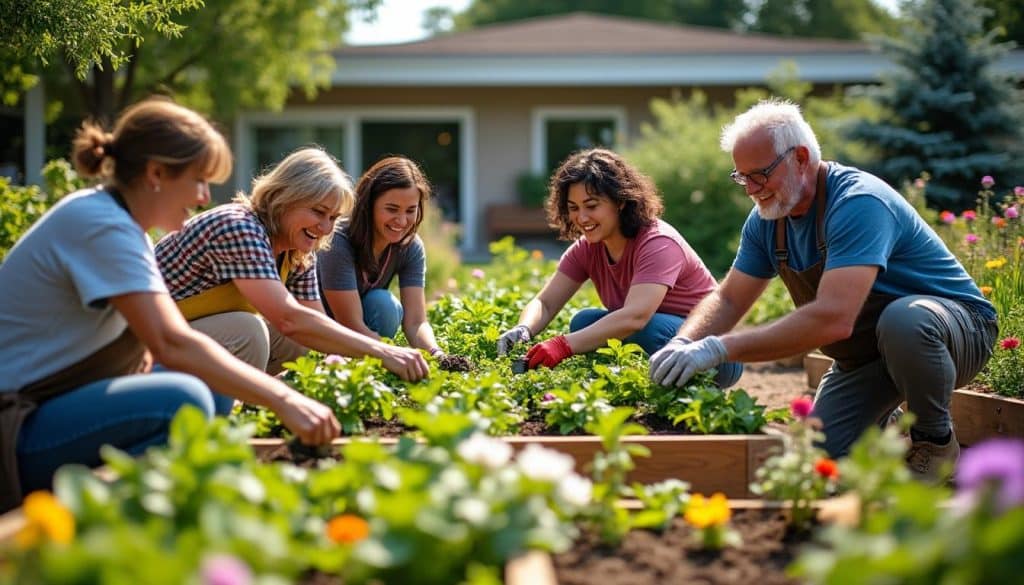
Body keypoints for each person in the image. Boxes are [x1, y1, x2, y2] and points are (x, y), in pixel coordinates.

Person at [0, 99, 340, 512]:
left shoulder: (127, 229)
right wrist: (283, 399)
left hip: (55, 403)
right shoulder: (99, 224)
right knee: (182, 399)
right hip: (17, 424)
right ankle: (108, 516)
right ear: (156, 173)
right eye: (198, 181)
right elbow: (170, 342)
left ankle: (170, 505)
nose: (204, 196)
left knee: (210, 390)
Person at [648, 99, 997, 481]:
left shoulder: (857, 202)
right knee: (818, 461)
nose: (750, 189)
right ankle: (890, 425)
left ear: (800, 158)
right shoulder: (768, 220)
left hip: (956, 333)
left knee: (904, 321)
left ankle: (934, 440)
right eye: (741, 177)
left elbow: (834, 318)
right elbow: (729, 298)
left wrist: (719, 349)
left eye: (759, 175)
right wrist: (683, 343)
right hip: (867, 356)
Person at [155, 148, 430, 388]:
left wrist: (345, 368)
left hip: (188, 335)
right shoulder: (239, 227)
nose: (326, 228)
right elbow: (289, 319)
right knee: (248, 331)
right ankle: (231, 414)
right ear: (284, 197)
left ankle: (268, 402)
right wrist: (383, 353)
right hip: (147, 344)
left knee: (302, 344)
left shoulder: (297, 251)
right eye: (318, 212)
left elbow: (315, 324)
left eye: (333, 217)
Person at [496, 148, 742, 385]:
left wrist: (563, 345)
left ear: (620, 202)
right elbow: (546, 302)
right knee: (583, 322)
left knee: (647, 329)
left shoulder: (657, 242)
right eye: (574, 208)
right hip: (662, 336)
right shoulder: (588, 247)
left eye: (592, 206)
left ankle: (692, 390)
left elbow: (636, 317)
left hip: (714, 351)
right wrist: (524, 328)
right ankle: (635, 386)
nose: (582, 218)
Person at [317, 156, 443, 357]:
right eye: (392, 209)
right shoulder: (337, 241)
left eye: (410, 210)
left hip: (366, 337)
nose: (402, 221)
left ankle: (372, 363)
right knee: (382, 306)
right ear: (369, 204)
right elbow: (350, 324)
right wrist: (395, 355)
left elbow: (415, 322)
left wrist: (436, 354)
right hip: (323, 334)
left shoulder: (409, 247)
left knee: (384, 305)